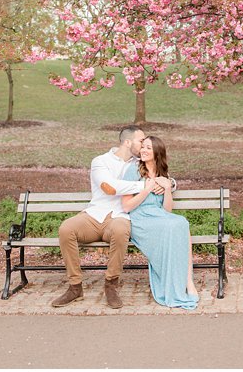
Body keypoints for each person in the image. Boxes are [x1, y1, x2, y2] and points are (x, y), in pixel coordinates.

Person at [52, 125, 150, 308]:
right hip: (94, 215)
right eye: (141, 140)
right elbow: (109, 187)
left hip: (119, 216)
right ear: (128, 142)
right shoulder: (100, 161)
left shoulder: (141, 163)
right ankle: (75, 287)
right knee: (67, 228)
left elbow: (164, 176)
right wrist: (145, 186)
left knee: (121, 230)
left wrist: (169, 183)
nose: (144, 144)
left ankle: (111, 285)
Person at [122, 135, 199, 310]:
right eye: (143, 147)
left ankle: (188, 282)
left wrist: (167, 188)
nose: (144, 150)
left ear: (157, 152)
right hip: (139, 219)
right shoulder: (133, 171)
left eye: (148, 148)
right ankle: (175, 284)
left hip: (159, 216)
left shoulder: (163, 175)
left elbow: (167, 211)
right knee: (174, 225)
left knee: (181, 223)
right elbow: (126, 206)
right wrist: (147, 189)